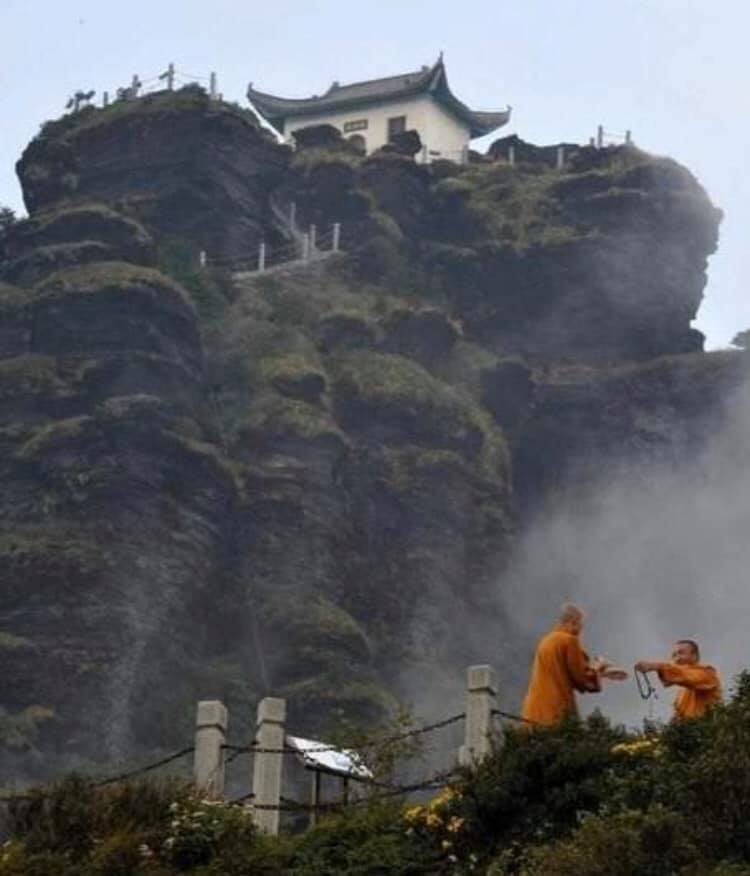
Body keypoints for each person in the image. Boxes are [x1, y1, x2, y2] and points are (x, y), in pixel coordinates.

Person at [521, 603, 627, 727]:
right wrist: (600, 665)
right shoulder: (569, 640)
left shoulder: (546, 640)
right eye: (580, 624)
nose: (581, 629)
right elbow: (581, 677)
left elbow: (565, 673)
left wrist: (604, 673)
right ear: (572, 622)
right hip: (555, 709)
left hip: (533, 709)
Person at [635, 639, 722, 720]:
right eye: (674, 655)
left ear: (694, 655)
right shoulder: (683, 690)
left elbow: (687, 676)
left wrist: (656, 666)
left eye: (681, 653)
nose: (677, 658)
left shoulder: (708, 673)